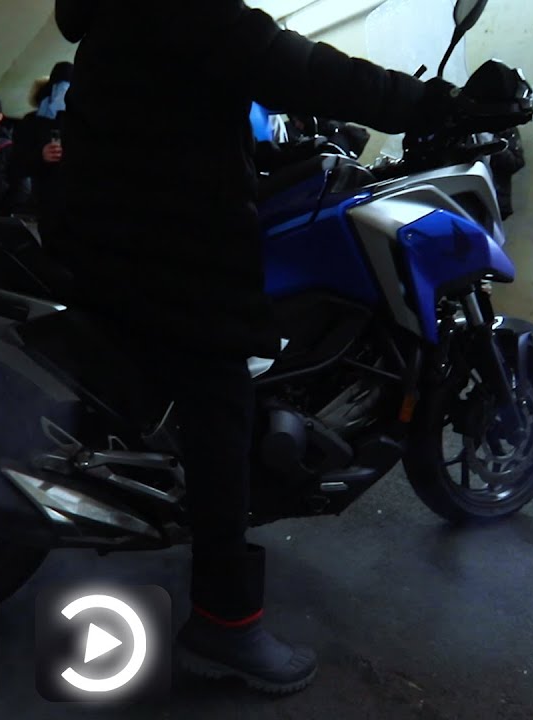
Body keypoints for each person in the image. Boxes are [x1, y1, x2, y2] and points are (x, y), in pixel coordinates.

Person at [51, 0, 461, 694]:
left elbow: (187, 121)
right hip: (162, 247)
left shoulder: (117, 18)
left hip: (111, 235)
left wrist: (269, 157)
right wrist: (435, 105)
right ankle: (226, 620)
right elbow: (296, 66)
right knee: (220, 392)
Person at [12, 62, 72, 241]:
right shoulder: (31, 123)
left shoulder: (84, 122)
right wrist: (40, 155)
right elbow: (16, 165)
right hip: (48, 204)